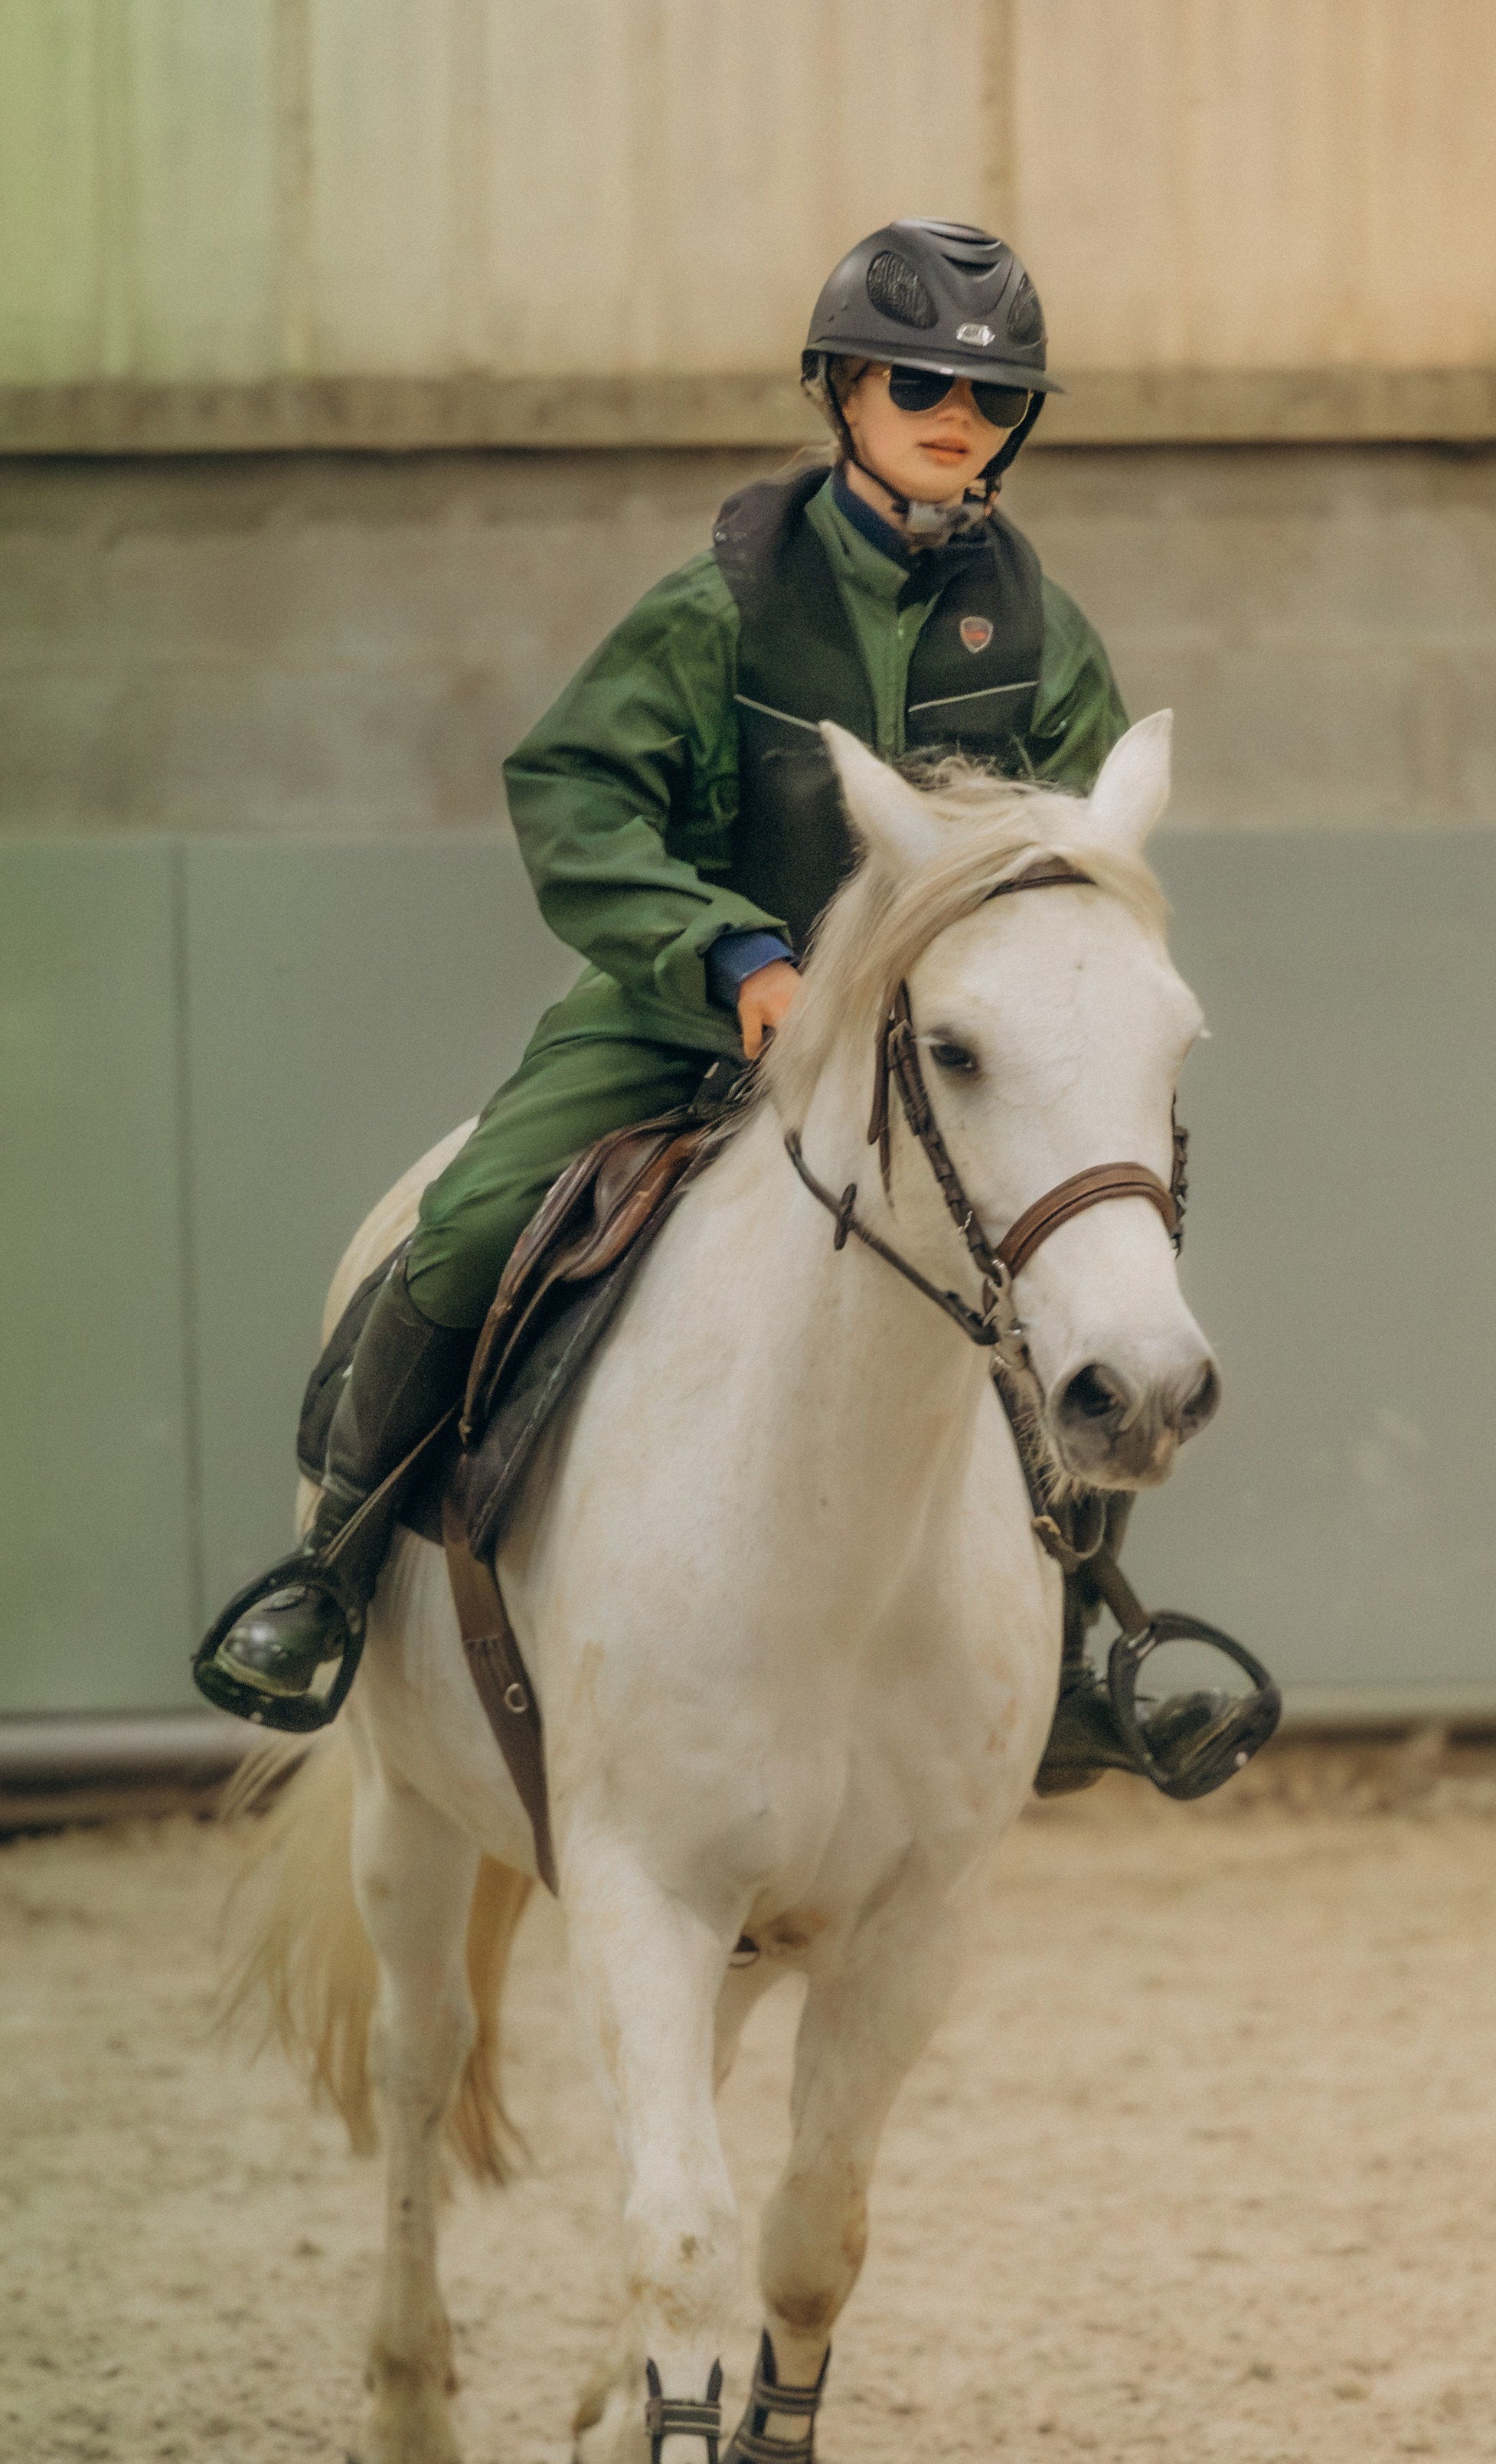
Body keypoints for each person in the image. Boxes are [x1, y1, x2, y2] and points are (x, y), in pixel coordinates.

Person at [196, 217, 1205, 1790]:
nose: (956, 417)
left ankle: (1078, 1649)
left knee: (1093, 1271)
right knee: (464, 1226)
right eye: (917, 382)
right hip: (687, 1016)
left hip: (924, 1061)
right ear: (840, 389)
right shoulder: (721, 600)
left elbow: (1071, 863)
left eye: (990, 397)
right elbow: (576, 791)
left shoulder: (1042, 632)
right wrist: (728, 953)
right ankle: (327, 1578)